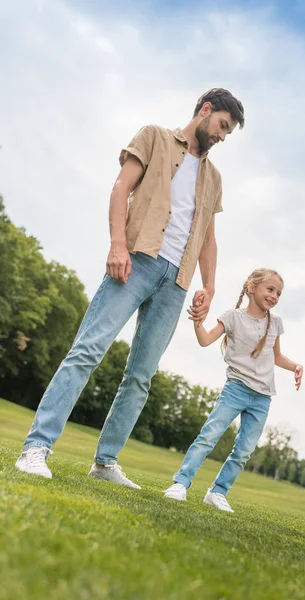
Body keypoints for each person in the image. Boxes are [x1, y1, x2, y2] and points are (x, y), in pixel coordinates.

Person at [15, 88, 245, 487]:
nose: (222, 136)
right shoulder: (154, 136)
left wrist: (207, 285)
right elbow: (121, 188)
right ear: (205, 111)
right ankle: (36, 448)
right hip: (136, 259)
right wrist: (117, 245)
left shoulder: (214, 178)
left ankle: (105, 463)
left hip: (175, 282)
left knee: (140, 377)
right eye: (222, 126)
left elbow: (208, 236)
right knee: (87, 351)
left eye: (228, 133)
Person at [163, 268, 303, 512]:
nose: (274, 296)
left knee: (244, 451)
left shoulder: (276, 323)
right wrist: (198, 322)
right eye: (270, 289)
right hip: (236, 389)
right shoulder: (233, 317)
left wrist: (295, 367)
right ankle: (180, 484)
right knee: (208, 437)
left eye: (278, 293)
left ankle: (218, 492)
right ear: (251, 287)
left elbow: (276, 356)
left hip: (262, 397)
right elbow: (205, 340)